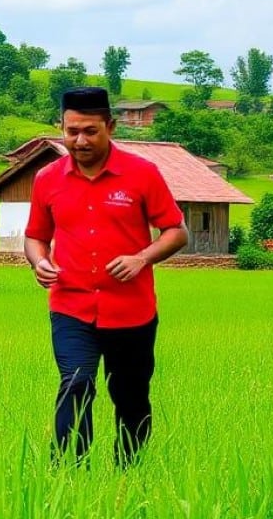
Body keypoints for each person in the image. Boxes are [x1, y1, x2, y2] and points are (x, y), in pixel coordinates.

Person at [24, 87, 188, 466]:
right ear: (61, 128)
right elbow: (35, 237)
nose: (79, 141)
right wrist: (39, 262)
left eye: (90, 131)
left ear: (110, 127)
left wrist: (141, 258)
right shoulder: (47, 179)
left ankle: (128, 475)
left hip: (131, 311)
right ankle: (68, 473)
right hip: (71, 306)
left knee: (130, 397)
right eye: (71, 131)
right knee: (76, 384)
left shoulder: (142, 174)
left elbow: (177, 231)